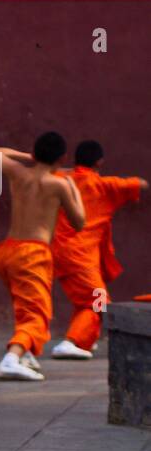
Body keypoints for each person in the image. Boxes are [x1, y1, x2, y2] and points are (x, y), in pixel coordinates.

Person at [0, 132, 86, 381]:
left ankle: (25, 352)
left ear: (35, 153)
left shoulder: (19, 173)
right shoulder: (59, 184)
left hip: (7, 251)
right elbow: (79, 222)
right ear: (62, 157)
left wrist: (27, 157)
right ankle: (11, 358)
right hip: (33, 253)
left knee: (25, 307)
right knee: (37, 313)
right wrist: (72, 186)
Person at [49, 139, 147, 359]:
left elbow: (47, 171)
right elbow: (140, 183)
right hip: (81, 256)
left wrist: (68, 169)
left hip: (60, 253)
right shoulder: (105, 186)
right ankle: (70, 341)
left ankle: (83, 340)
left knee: (84, 301)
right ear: (100, 161)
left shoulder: (63, 179)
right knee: (99, 301)